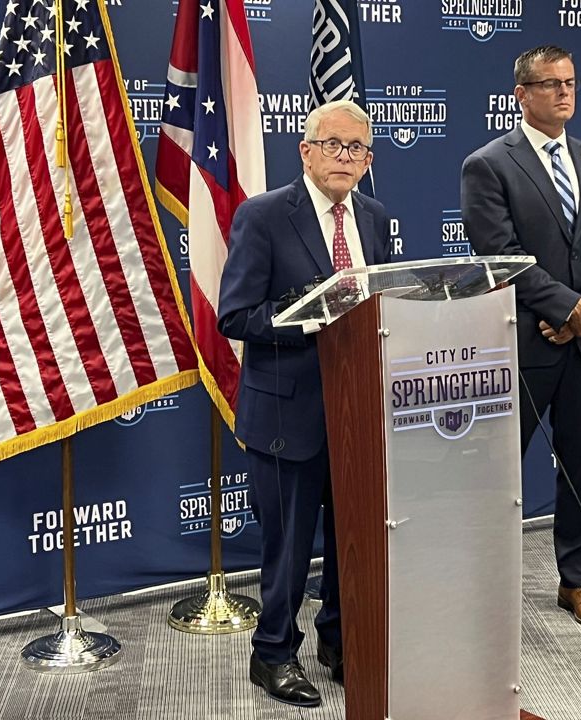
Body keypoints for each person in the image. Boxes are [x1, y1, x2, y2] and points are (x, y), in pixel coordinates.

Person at [217, 99, 391, 707]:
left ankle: (339, 643)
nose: (345, 158)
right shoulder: (263, 216)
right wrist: (313, 317)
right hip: (288, 413)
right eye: (334, 145)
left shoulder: (372, 216)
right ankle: (273, 653)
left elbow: (382, 304)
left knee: (354, 541)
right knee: (287, 552)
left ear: (368, 160)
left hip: (359, 415)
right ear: (306, 151)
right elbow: (235, 315)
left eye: (357, 149)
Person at [460, 46, 581, 630]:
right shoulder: (488, 163)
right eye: (550, 83)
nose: (564, 92)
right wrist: (565, 307)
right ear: (521, 94)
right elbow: (500, 254)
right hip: (524, 344)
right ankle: (483, 587)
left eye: (571, 82)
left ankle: (578, 581)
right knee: (499, 473)